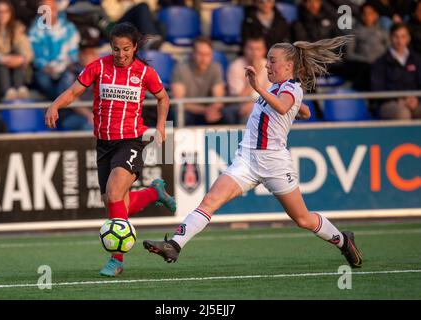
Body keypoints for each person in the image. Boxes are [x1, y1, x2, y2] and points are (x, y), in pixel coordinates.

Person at [143, 35, 363, 270]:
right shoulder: (278, 88)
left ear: (289, 65)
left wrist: (259, 88)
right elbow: (298, 109)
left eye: (272, 61)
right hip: (247, 160)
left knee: (302, 219)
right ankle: (174, 245)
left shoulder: (292, 87)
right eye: (268, 60)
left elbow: (283, 105)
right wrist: (299, 110)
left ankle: (342, 240)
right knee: (210, 201)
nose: (267, 65)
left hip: (275, 164)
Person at [44, 22, 176, 277]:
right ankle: (153, 193)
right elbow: (73, 92)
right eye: (116, 49)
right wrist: (55, 105)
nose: (121, 54)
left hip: (131, 141)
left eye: (126, 49)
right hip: (104, 144)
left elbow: (163, 97)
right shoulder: (98, 67)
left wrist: (160, 126)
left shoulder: (144, 72)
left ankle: (117, 260)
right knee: (113, 202)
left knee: (114, 193)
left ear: (135, 47)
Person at [0, 0, 33, 101]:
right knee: (1, 62)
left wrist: (22, 58)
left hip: (16, 67)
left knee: (18, 56)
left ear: (10, 13)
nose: (2, 15)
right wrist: (4, 59)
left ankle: (19, 87)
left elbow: (25, 47)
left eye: (5, 11)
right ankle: (7, 91)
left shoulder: (17, 27)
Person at [171, 36, 229, 126]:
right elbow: (179, 102)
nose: (203, 58)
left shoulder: (216, 68)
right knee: (179, 114)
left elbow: (219, 99)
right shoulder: (180, 68)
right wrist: (205, 110)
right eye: (200, 54)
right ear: (193, 54)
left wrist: (212, 110)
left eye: (207, 55)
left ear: (212, 55)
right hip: (190, 111)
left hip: (208, 111)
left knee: (227, 114)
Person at [28, 0, 80, 101]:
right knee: (43, 80)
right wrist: (45, 67)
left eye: (50, 9)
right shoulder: (34, 31)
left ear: (56, 10)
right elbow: (34, 55)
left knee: (69, 78)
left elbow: (73, 53)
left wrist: (65, 66)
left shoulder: (68, 28)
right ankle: (58, 104)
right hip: (45, 70)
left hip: (66, 68)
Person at [371, 23, 421, 119]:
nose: (399, 41)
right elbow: (377, 89)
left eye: (403, 36)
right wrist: (397, 100)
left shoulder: (417, 60)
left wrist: (417, 99)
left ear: (408, 38)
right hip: (389, 103)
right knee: (403, 114)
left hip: (415, 101)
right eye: (396, 36)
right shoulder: (380, 62)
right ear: (390, 38)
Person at [227, 35, 269, 123]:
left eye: (258, 49)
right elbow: (238, 99)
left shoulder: (269, 67)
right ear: (245, 49)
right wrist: (252, 78)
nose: (254, 52)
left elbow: (271, 95)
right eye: (250, 48)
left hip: (264, 105)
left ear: (264, 51)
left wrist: (254, 105)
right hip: (241, 105)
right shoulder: (236, 66)